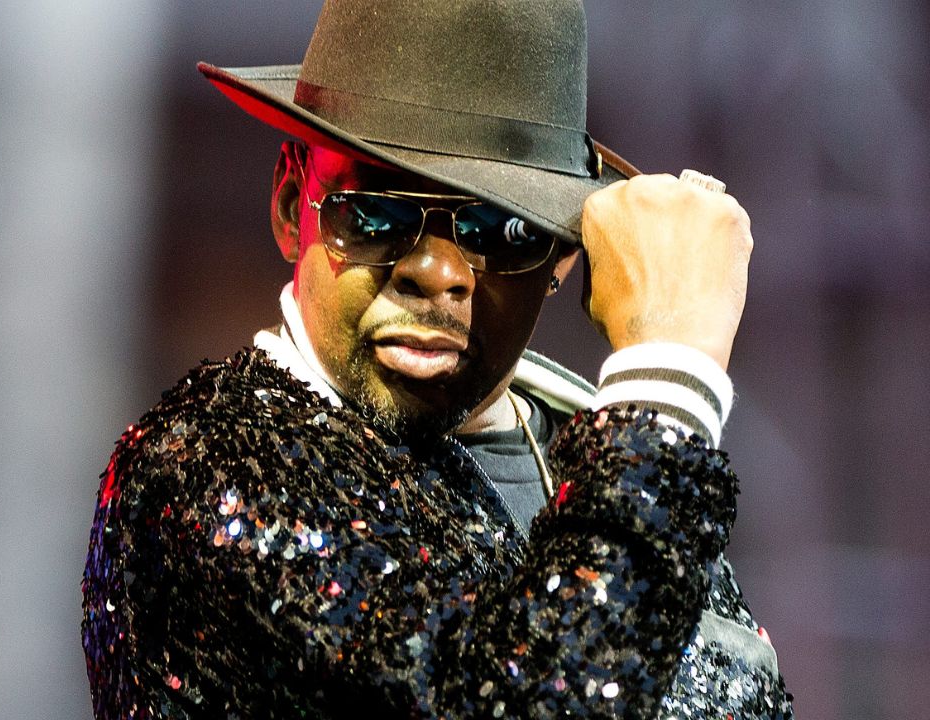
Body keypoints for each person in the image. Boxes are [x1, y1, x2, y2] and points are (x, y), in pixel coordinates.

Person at [83, 0, 793, 717]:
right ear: (291, 200)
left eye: (500, 226)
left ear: (565, 256)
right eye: (376, 213)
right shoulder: (201, 465)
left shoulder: (600, 459)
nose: (437, 270)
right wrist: (669, 372)